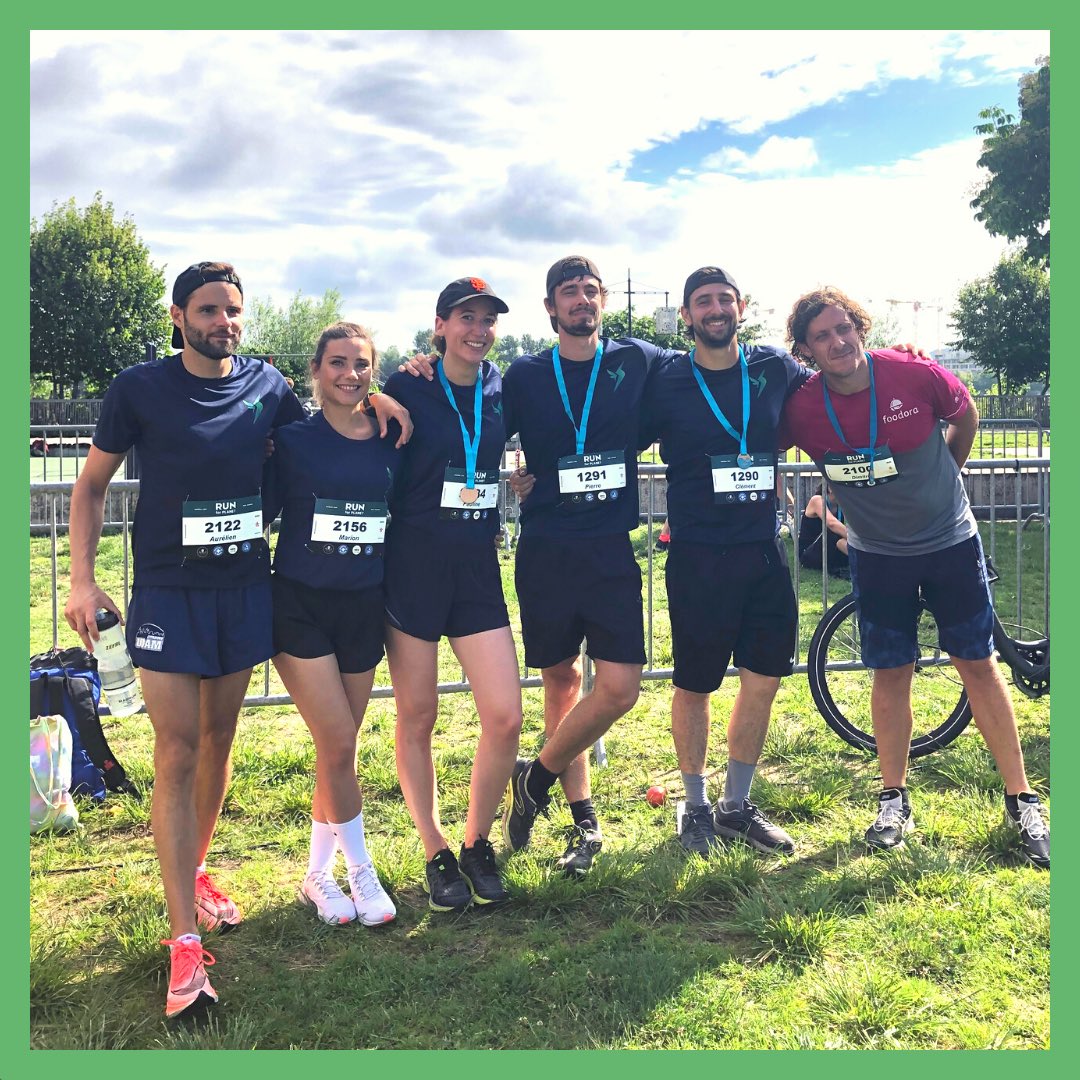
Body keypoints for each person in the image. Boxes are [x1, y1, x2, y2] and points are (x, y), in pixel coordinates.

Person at [63, 262, 306, 1019]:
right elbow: (90, 484)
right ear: (178, 316)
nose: (223, 322)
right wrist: (80, 578)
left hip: (243, 590)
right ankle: (183, 947)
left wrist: (391, 390)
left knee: (219, 734)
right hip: (169, 591)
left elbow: (332, 426)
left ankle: (194, 870)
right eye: (208, 310)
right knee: (177, 750)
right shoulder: (139, 389)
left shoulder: (269, 387)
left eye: (233, 310)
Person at [780, 287, 1049, 868]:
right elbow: (759, 444)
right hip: (878, 555)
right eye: (822, 336)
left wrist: (949, 469)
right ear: (805, 350)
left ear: (859, 326)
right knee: (891, 672)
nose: (838, 341)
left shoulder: (910, 370)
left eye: (844, 327)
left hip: (950, 543)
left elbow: (966, 412)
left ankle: (1023, 801)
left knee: (977, 664)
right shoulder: (801, 405)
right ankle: (892, 799)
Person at [498, 257, 683, 875]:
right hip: (547, 546)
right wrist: (415, 372)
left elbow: (718, 358)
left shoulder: (637, 360)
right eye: (568, 293)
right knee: (562, 684)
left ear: (603, 301)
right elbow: (469, 408)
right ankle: (584, 822)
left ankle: (536, 778)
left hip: (609, 548)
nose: (581, 300)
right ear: (550, 308)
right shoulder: (525, 375)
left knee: (621, 687)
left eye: (590, 291)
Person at [637, 267, 811, 857]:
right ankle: (696, 808)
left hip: (762, 551)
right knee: (694, 684)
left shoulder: (772, 368)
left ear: (742, 306)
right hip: (696, 555)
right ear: (687, 315)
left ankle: (737, 805)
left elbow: (843, 377)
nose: (715, 310)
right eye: (702, 302)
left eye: (724, 300)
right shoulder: (664, 377)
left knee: (763, 679)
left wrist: (903, 360)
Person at [381, 277, 523, 911]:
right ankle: (434, 848)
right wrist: (379, 397)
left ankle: (476, 841)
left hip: (475, 569)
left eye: (487, 320)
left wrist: (530, 476)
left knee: (504, 714)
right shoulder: (407, 382)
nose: (478, 329)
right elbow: (354, 406)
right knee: (418, 716)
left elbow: (536, 438)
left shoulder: (501, 387)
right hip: (411, 568)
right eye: (466, 317)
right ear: (440, 326)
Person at [262, 322, 405, 927]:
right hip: (298, 605)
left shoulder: (394, 435)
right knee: (340, 742)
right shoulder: (289, 440)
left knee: (335, 750)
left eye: (362, 365)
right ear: (315, 371)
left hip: (361, 608)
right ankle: (361, 870)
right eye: (338, 363)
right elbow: (257, 507)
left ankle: (316, 876)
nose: (351, 374)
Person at [798, 484, 850, 577]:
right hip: (810, 553)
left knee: (842, 536)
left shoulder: (841, 504)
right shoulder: (817, 500)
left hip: (830, 550)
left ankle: (868, 561)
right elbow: (831, 523)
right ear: (830, 488)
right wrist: (860, 539)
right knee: (833, 531)